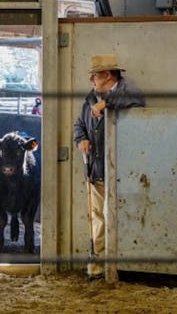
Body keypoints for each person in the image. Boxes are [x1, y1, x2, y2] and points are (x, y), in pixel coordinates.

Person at [73, 54, 145, 280]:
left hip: (123, 172)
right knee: (97, 217)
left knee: (121, 216)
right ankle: (99, 265)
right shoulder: (89, 100)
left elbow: (136, 106)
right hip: (96, 169)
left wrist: (107, 103)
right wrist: (80, 139)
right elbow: (79, 124)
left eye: (94, 75)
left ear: (107, 75)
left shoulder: (129, 95)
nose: (91, 79)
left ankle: (124, 265)